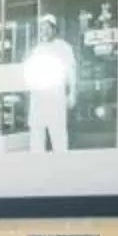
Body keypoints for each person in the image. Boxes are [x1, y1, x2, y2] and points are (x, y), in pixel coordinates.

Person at [24, 14, 76, 154]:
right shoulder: (37, 50)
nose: (44, 31)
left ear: (54, 29)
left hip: (56, 95)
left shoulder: (64, 48)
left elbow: (71, 72)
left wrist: (72, 94)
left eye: (47, 28)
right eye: (42, 28)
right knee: (37, 132)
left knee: (58, 132)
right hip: (38, 96)